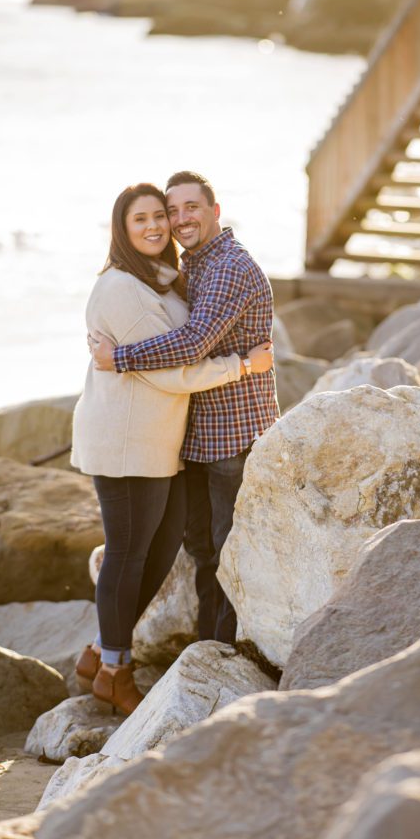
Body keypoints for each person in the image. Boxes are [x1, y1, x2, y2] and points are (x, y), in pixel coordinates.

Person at [72, 182, 274, 715]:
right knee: (127, 552)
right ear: (122, 228)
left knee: (161, 553)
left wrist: (126, 356)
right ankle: (116, 668)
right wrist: (242, 366)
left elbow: (177, 346)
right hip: (125, 440)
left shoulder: (165, 278)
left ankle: (98, 650)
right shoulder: (121, 287)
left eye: (161, 215)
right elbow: (174, 365)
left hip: (163, 441)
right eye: (142, 219)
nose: (158, 225)